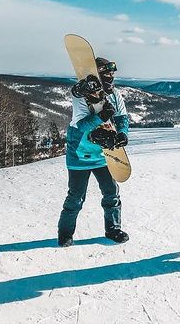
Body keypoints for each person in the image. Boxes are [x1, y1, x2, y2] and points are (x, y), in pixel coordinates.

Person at [57, 57, 130, 247]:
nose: (111, 77)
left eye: (112, 73)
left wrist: (122, 134)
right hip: (79, 154)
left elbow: (122, 117)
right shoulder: (81, 96)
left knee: (111, 193)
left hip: (103, 155)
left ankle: (113, 229)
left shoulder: (115, 95)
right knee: (76, 197)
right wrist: (100, 117)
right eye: (106, 73)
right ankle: (65, 233)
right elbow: (81, 125)